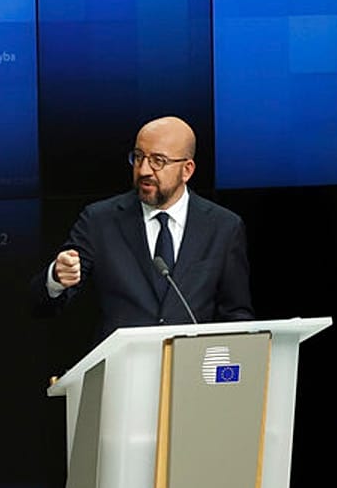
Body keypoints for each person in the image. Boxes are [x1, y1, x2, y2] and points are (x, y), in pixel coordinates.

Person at [32, 116, 254, 340]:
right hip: (120, 369)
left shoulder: (223, 227)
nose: (144, 170)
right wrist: (57, 278)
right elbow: (41, 304)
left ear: (187, 170)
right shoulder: (100, 220)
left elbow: (236, 314)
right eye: (138, 157)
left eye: (158, 161)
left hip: (191, 367)